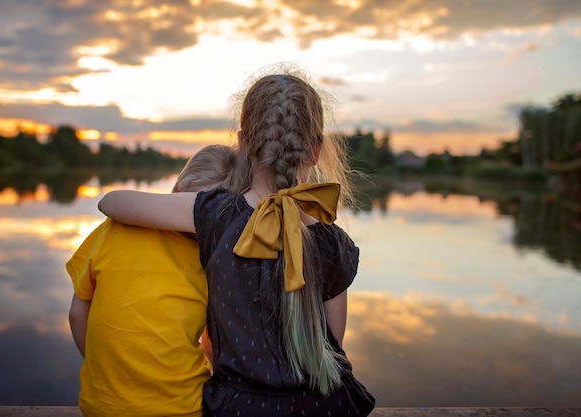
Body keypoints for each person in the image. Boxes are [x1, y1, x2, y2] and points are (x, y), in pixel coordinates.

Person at [98, 69, 376, 417]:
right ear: (315, 149)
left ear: (243, 142)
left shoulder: (215, 214)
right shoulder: (335, 243)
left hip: (239, 408)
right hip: (326, 407)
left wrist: (196, 204)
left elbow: (111, 202)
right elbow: (333, 344)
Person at [67, 144, 238, 417]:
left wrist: (107, 373)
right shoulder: (214, 261)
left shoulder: (113, 228)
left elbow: (78, 315)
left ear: (178, 189)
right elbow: (213, 347)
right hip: (181, 408)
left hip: (101, 404)